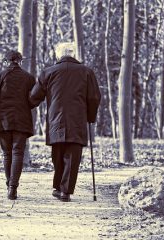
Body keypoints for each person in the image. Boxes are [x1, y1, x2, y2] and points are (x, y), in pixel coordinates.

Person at [29, 42, 101, 202]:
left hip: (56, 120)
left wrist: (27, 104)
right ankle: (65, 191)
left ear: (58, 54)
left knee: (58, 154)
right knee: (73, 156)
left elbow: (34, 96)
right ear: (74, 54)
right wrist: (90, 117)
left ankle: (58, 187)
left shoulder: (48, 72)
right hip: (77, 120)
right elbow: (94, 97)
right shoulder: (87, 72)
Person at [0, 50, 35, 200]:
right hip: (22, 119)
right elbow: (34, 99)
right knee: (18, 153)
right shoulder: (29, 78)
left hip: (3, 119)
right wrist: (27, 104)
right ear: (20, 61)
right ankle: (13, 188)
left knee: (7, 153)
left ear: (5, 62)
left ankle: (9, 184)